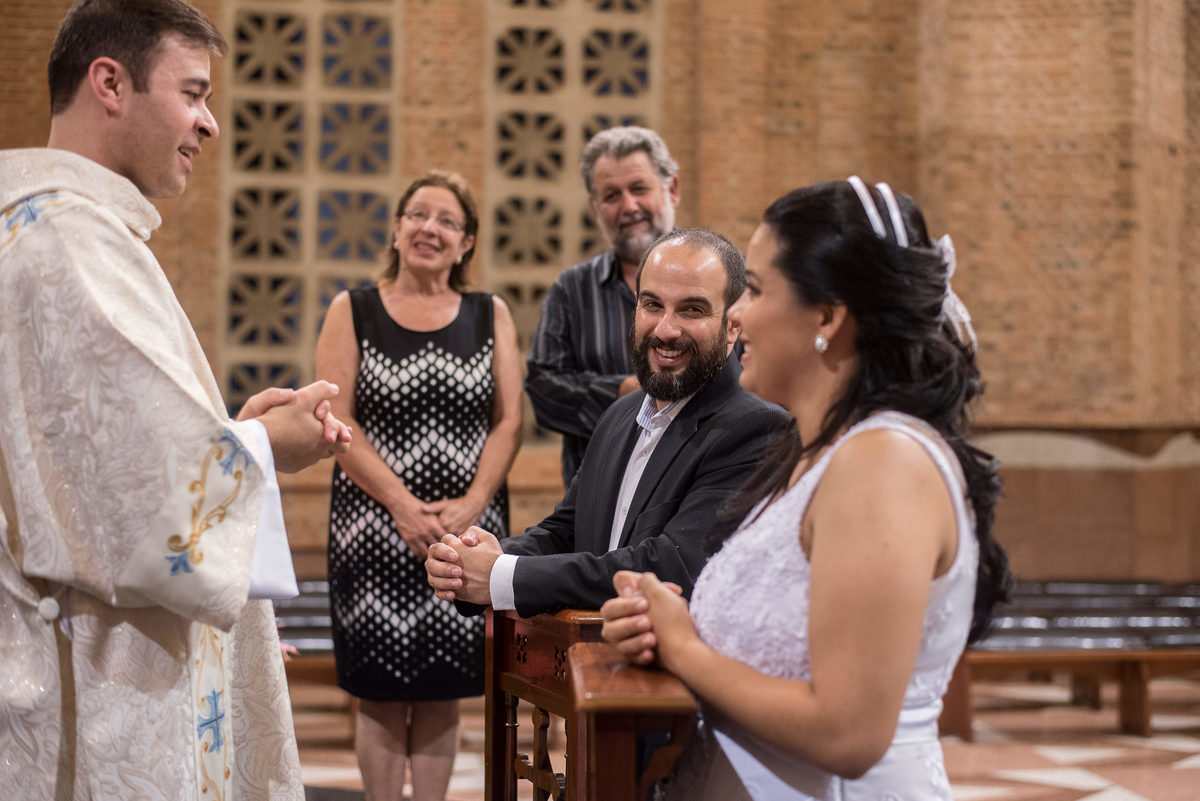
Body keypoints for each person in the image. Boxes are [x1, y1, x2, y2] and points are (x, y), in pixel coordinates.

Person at [0, 2, 352, 799]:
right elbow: (134, 505)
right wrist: (267, 450)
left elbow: (85, 464)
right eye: (193, 93)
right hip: (90, 678)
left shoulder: (51, 230)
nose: (211, 124)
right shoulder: (68, 243)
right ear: (110, 83)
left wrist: (232, 433)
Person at [600, 178, 1012, 800]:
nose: (735, 315)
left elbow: (847, 734)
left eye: (757, 290)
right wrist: (663, 625)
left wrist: (684, 649)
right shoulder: (812, 456)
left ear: (827, 315)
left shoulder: (884, 463)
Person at [426, 228, 790, 618]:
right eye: (652, 305)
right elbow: (565, 533)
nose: (665, 330)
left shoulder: (757, 427)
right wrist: (475, 559)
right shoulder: (620, 415)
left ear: (733, 324)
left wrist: (503, 576)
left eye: (692, 310)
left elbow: (671, 568)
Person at [315, 170, 523, 801]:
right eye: (418, 215)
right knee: (380, 694)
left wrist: (472, 505)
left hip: (467, 533)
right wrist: (402, 506)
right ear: (398, 227)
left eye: (447, 221)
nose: (430, 228)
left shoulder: (492, 313)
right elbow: (336, 417)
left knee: (443, 688)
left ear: (466, 243)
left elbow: (510, 418)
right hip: (373, 528)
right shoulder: (353, 309)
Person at [526, 126, 682, 485]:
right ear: (596, 209)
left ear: (671, 189)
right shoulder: (571, 290)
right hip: (596, 501)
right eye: (612, 195)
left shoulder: (726, 281)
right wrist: (625, 393)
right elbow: (543, 390)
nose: (629, 206)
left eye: (639, 188)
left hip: (694, 497)